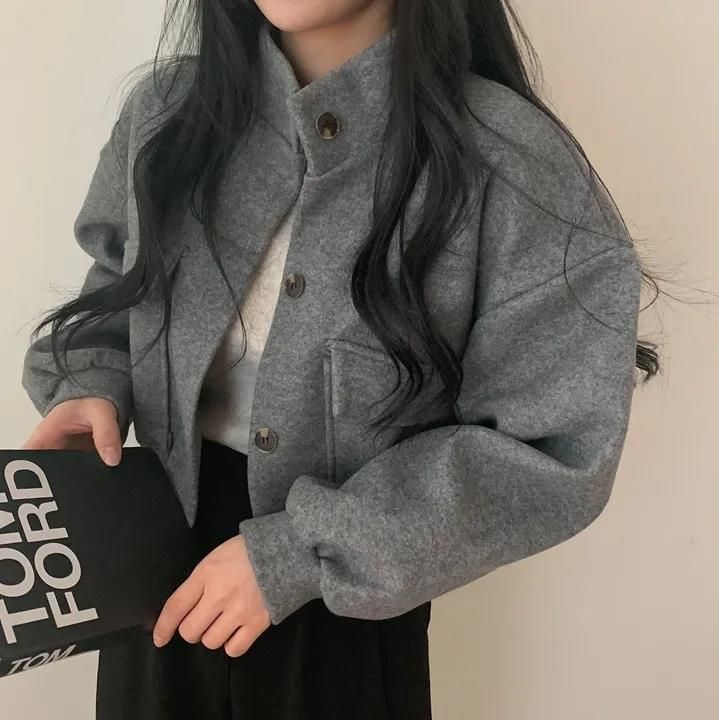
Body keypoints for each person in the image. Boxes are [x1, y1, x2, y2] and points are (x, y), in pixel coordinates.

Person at [20, 1, 659, 718]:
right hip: (154, 581)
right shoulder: (168, 113)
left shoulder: (509, 160)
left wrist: (303, 550)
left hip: (345, 618)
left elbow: (554, 449)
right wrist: (90, 385)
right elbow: (117, 281)